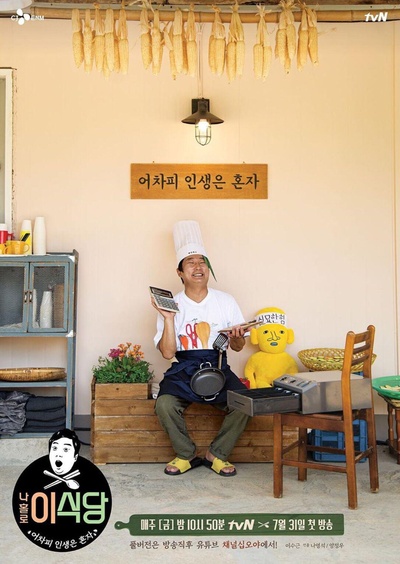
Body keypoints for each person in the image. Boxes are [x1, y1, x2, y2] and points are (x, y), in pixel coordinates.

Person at [152, 220, 250, 477]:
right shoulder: (172, 304)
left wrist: (237, 337)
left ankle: (217, 454)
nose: (198, 267)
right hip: (183, 371)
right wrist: (169, 318)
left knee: (245, 403)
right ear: (180, 272)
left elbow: (238, 347)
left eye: (202, 262)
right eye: (191, 262)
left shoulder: (225, 301)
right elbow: (167, 353)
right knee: (164, 404)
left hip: (218, 367)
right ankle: (185, 454)